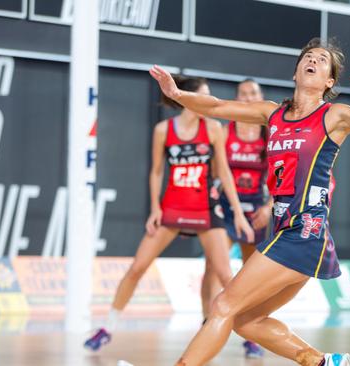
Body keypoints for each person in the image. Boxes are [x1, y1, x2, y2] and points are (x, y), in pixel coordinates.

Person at [149, 37, 350, 366]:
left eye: (322, 60)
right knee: (245, 321)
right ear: (296, 72)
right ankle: (323, 362)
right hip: (286, 231)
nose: (313, 60)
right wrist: (178, 95)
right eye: (308, 57)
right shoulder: (273, 114)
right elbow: (215, 107)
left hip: (305, 231)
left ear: (329, 81)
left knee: (223, 306)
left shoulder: (336, 115)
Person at [84, 76, 254, 351]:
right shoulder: (164, 130)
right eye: (203, 96)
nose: (208, 101)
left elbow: (223, 172)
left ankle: (249, 337)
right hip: (173, 207)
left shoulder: (212, 128)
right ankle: (107, 328)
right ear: (186, 98)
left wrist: (237, 213)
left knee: (226, 277)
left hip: (206, 209)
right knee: (137, 268)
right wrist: (155, 208)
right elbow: (156, 171)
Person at [203, 79, 271, 358]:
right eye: (243, 93)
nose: (247, 97)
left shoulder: (271, 130)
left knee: (251, 271)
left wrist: (269, 205)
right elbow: (214, 168)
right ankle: (206, 322)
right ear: (236, 97)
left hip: (257, 207)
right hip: (226, 206)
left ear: (261, 96)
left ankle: (249, 330)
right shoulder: (224, 129)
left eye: (253, 93)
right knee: (213, 266)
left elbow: (284, 172)